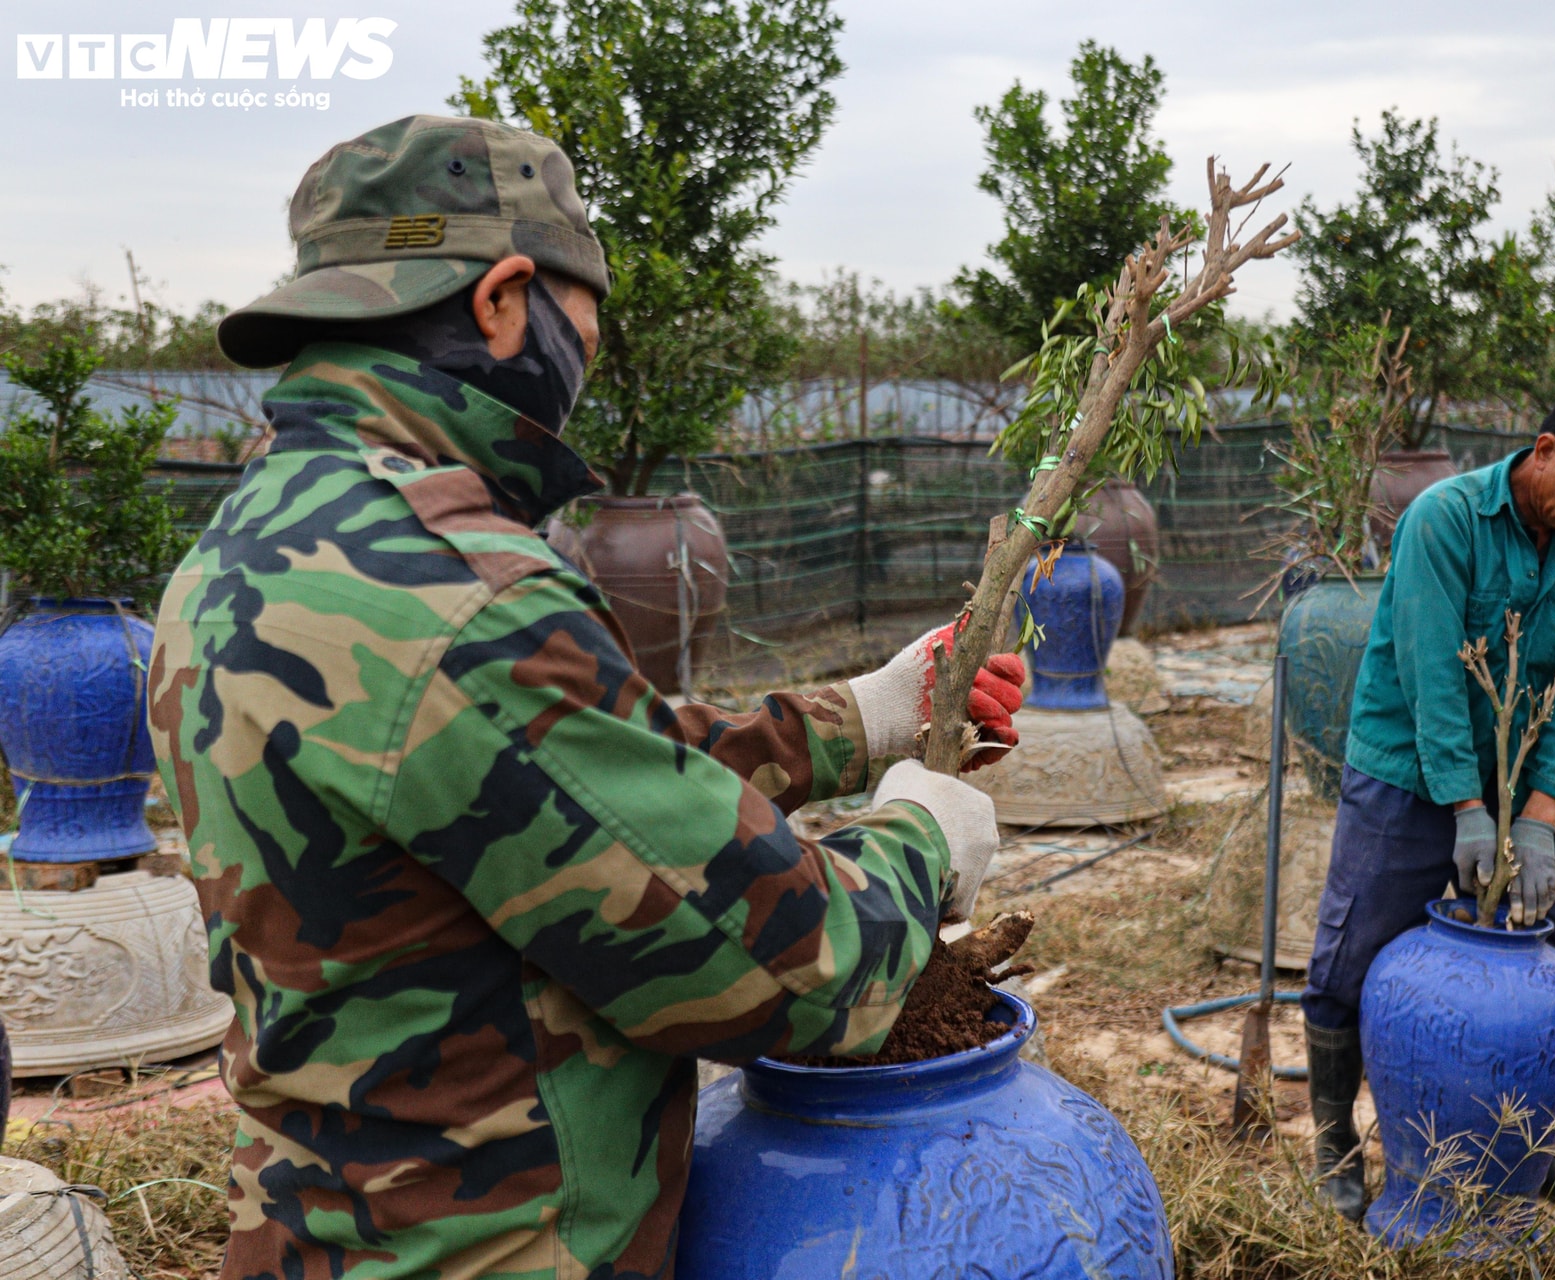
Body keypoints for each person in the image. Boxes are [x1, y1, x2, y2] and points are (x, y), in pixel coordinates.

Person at [148, 115, 1025, 1280]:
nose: (590, 352)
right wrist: (924, 834)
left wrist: (861, 718)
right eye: (589, 318)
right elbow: (788, 969)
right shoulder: (456, 587)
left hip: (328, 1229)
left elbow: (567, 775)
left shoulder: (241, 550)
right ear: (506, 301)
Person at [1300, 378, 1555, 1221]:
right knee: (1348, 958)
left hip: (1516, 780)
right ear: (1544, 452)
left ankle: (1530, 1148)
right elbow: (1432, 674)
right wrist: (1465, 807)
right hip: (1403, 766)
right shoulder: (1444, 520)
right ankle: (1336, 1144)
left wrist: (1538, 821)